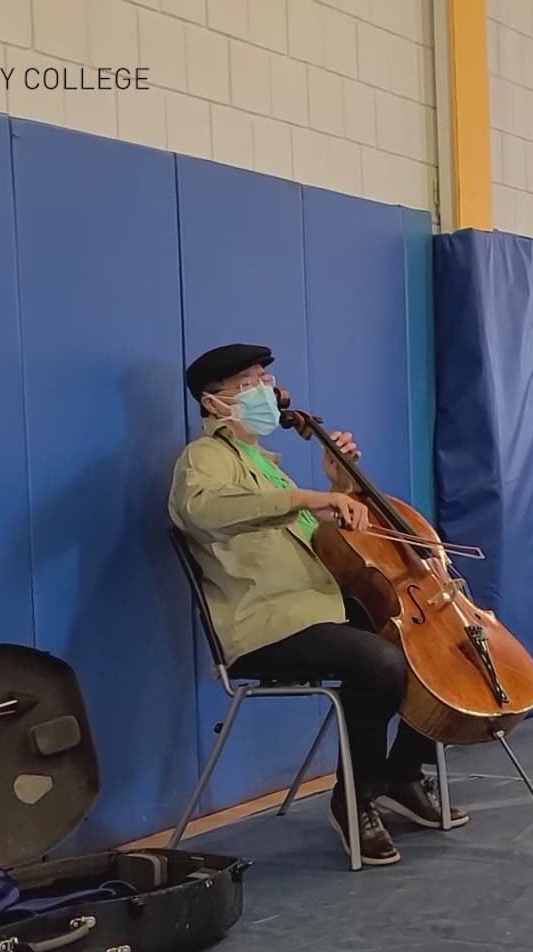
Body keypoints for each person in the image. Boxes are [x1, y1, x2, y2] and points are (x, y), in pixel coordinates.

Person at [168, 343, 463, 867]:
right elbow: (201, 512)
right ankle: (355, 798)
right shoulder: (203, 459)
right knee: (377, 661)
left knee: (433, 645)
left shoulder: (267, 466)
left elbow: (320, 539)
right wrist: (312, 498)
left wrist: (338, 484)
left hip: (320, 608)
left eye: (265, 379)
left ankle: (402, 774)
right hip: (266, 625)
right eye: (248, 383)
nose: (264, 391)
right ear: (214, 403)